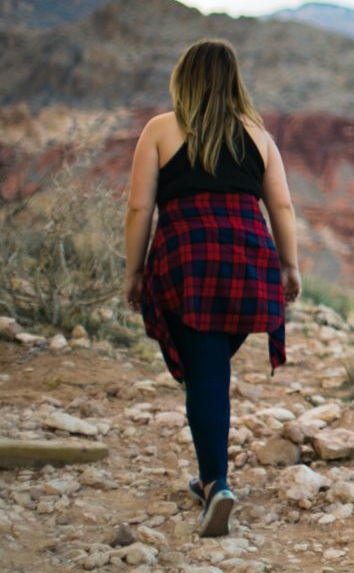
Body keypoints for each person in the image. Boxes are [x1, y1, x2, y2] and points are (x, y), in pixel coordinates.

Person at [123, 38, 302, 538]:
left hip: (187, 259)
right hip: (249, 259)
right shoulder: (259, 137)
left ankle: (215, 484)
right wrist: (290, 266)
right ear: (233, 82)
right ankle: (209, 478)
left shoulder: (160, 129)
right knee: (210, 369)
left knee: (205, 376)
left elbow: (139, 208)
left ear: (184, 79)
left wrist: (133, 271)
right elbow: (282, 208)